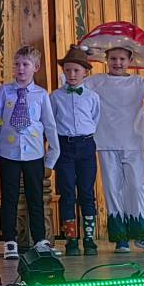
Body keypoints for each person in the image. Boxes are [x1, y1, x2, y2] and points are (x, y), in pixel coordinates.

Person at [84, 47, 144, 252]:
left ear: (130, 60)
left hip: (133, 142)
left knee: (136, 185)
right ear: (106, 59)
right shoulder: (96, 81)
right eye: (113, 58)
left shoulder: (138, 82)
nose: (118, 63)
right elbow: (74, 85)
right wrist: (82, 60)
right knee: (112, 187)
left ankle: (143, 234)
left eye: (122, 59)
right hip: (106, 142)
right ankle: (120, 237)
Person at [0, 45, 60, 260]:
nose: (20, 68)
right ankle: (10, 240)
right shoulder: (5, 91)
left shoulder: (41, 95)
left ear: (35, 67)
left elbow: (49, 125)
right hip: (8, 152)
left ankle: (40, 239)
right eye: (17, 64)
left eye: (25, 64)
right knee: (9, 196)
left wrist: (52, 156)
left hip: (33, 153)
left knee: (35, 197)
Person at [49, 45, 100, 256]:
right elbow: (51, 123)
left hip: (86, 145)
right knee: (68, 191)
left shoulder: (92, 97)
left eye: (76, 70)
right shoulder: (55, 97)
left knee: (87, 192)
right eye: (68, 70)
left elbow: (95, 118)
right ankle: (71, 239)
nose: (71, 74)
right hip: (65, 147)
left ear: (85, 72)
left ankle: (89, 239)